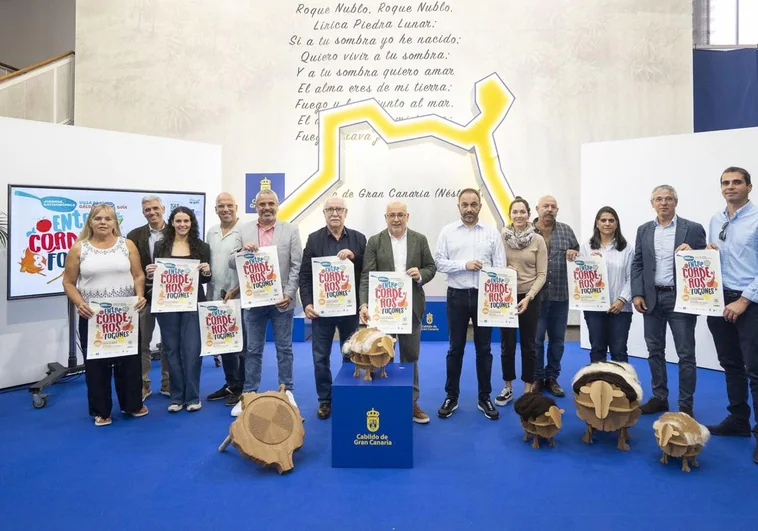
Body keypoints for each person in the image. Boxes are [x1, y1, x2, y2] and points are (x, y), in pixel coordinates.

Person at [62, 203, 149, 426]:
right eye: (98, 218)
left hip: (125, 316)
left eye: (108, 219)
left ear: (115, 223)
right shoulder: (79, 249)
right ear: (90, 222)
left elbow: (138, 275)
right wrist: (79, 303)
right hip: (92, 316)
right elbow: (68, 282)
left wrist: (140, 295)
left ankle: (133, 404)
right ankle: (101, 410)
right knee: (96, 366)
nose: (103, 222)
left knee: (129, 361)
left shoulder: (126, 245)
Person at [631, 185, 706, 417]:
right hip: (651, 298)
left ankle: (685, 405)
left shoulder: (692, 229)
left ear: (676, 202)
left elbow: (706, 259)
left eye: (669, 199)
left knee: (686, 354)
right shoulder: (644, 230)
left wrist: (694, 251)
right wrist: (637, 293)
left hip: (680, 298)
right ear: (652, 203)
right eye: (659, 199)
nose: (664, 203)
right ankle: (660, 398)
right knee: (654, 351)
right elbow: (638, 263)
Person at [359, 200, 436, 424]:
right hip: (382, 311)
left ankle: (411, 401)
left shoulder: (419, 239)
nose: (396, 219)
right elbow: (367, 275)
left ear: (407, 217)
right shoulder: (375, 241)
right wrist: (364, 304)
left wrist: (420, 274)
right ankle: (384, 401)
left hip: (411, 309)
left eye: (400, 214)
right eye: (391, 215)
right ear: (385, 218)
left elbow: (431, 267)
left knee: (410, 356)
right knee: (381, 355)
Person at [228, 189, 302, 417]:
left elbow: (296, 265)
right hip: (254, 301)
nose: (267, 208)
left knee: (284, 348)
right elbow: (231, 262)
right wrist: (241, 251)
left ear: (277, 205)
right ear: (256, 206)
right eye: (262, 204)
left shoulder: (291, 230)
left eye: (271, 203)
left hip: (282, 301)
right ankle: (249, 393)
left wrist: (289, 294)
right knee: (252, 350)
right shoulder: (243, 229)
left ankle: (287, 390)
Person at [435, 188, 506, 420]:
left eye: (473, 204)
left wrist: (494, 275)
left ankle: (484, 397)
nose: (469, 209)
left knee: (484, 350)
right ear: (458, 206)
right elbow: (438, 263)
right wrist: (464, 265)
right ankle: (451, 396)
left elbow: (500, 266)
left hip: (485, 297)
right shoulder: (447, 231)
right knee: (455, 348)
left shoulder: (491, 232)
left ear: (480, 206)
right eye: (464, 205)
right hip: (456, 295)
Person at [703, 167, 758, 464]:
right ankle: (738, 420)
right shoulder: (716, 220)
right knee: (730, 364)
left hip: (750, 302)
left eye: (737, 182)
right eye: (725, 182)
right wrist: (705, 252)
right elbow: (717, 258)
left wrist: (745, 300)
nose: (730, 187)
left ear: (749, 186)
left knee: (756, 369)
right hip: (718, 300)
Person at [300, 197, 367, 420]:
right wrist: (307, 302)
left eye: (339, 209)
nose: (335, 213)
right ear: (324, 213)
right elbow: (306, 275)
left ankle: (350, 396)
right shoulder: (314, 239)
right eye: (330, 209)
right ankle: (325, 400)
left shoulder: (358, 238)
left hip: (349, 309)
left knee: (351, 354)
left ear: (345, 212)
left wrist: (354, 257)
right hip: (322, 311)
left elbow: (367, 270)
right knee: (320, 357)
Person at [148, 207, 211, 413]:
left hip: (193, 305)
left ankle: (192, 397)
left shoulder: (202, 247)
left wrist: (207, 271)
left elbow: (204, 279)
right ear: (172, 223)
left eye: (186, 221)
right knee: (171, 350)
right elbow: (158, 277)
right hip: (167, 305)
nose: (182, 225)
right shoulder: (160, 246)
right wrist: (151, 273)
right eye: (178, 221)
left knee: (192, 350)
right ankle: (176, 397)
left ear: (192, 223)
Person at [495, 197, 546, 406]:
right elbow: (494, 266)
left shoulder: (538, 240)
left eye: (522, 212)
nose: (518, 215)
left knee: (528, 344)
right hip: (505, 298)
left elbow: (542, 274)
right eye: (515, 212)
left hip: (530, 297)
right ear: (510, 215)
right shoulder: (501, 238)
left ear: (528, 214)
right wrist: (503, 271)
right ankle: (507, 387)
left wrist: (529, 297)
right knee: (507, 345)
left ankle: (527, 389)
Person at [532, 195, 579, 397]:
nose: (549, 209)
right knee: (536, 341)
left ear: (557, 210)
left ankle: (552, 377)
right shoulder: (527, 231)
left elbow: (576, 250)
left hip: (560, 295)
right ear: (537, 209)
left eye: (553, 206)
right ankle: (536, 377)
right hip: (535, 297)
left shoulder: (566, 230)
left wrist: (572, 251)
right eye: (545, 206)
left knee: (558, 340)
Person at [577, 206, 634, 363]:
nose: (607, 223)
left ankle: (621, 387)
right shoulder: (586, 247)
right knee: (597, 349)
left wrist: (622, 300)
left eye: (611, 220)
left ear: (617, 224)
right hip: (594, 307)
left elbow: (632, 277)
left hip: (621, 308)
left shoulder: (627, 248)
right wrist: (590, 263)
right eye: (603, 220)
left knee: (619, 350)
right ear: (597, 223)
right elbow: (581, 278)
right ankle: (598, 386)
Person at [126, 195, 170, 400]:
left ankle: (169, 382)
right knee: (142, 341)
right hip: (144, 295)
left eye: (155, 208)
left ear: (163, 208)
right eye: (147, 210)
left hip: (171, 296)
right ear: (143, 213)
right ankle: (143, 384)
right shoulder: (134, 235)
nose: (152, 213)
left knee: (170, 341)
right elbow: (131, 268)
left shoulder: (177, 231)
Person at [204, 193, 246, 407]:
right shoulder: (211, 232)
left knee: (241, 345)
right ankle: (231, 383)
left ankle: (243, 387)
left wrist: (239, 289)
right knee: (226, 343)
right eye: (221, 206)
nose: (225, 209)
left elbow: (248, 264)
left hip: (238, 296)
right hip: (216, 296)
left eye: (229, 205)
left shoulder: (245, 231)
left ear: (236, 207)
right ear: (216, 209)